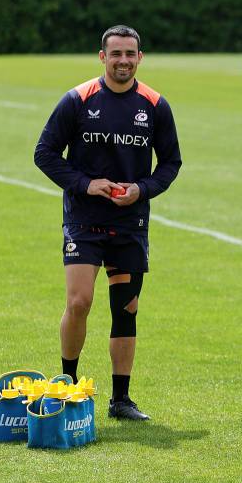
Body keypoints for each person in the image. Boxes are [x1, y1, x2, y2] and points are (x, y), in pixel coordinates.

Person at [34, 25, 182, 420]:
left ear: (140, 57)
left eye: (130, 54)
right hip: (84, 220)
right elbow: (45, 153)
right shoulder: (78, 99)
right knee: (79, 301)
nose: (123, 61)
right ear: (103, 57)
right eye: (115, 54)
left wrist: (142, 189)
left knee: (126, 308)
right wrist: (86, 184)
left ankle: (121, 399)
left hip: (130, 223)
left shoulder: (154, 105)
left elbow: (171, 163)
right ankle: (68, 387)